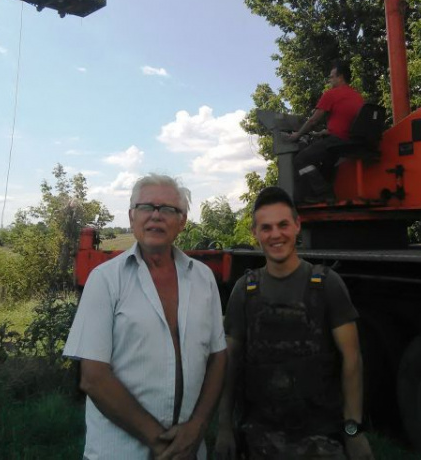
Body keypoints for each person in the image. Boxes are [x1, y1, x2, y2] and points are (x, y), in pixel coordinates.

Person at [63, 173, 227, 459]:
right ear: (131, 216)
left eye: (167, 209)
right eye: (146, 207)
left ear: (182, 221)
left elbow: (217, 357)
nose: (155, 216)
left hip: (191, 449)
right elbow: (93, 378)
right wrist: (162, 444)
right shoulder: (105, 279)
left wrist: (198, 426)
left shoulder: (203, 278)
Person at [215, 186, 374, 460]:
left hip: (322, 440)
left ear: (297, 226)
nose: (275, 234)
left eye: (283, 225)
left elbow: (352, 360)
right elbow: (230, 362)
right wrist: (224, 427)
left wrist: (353, 431)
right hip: (258, 440)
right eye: (266, 227)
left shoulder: (326, 285)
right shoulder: (245, 290)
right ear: (255, 233)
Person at [287, 60, 365, 203]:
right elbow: (348, 122)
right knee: (326, 160)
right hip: (349, 141)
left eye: (331, 77)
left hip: (336, 141)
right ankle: (325, 193)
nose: (329, 80)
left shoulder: (331, 94)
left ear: (340, 77)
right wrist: (325, 132)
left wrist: (298, 134)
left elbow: (313, 120)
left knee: (300, 160)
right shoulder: (357, 97)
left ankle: (323, 193)